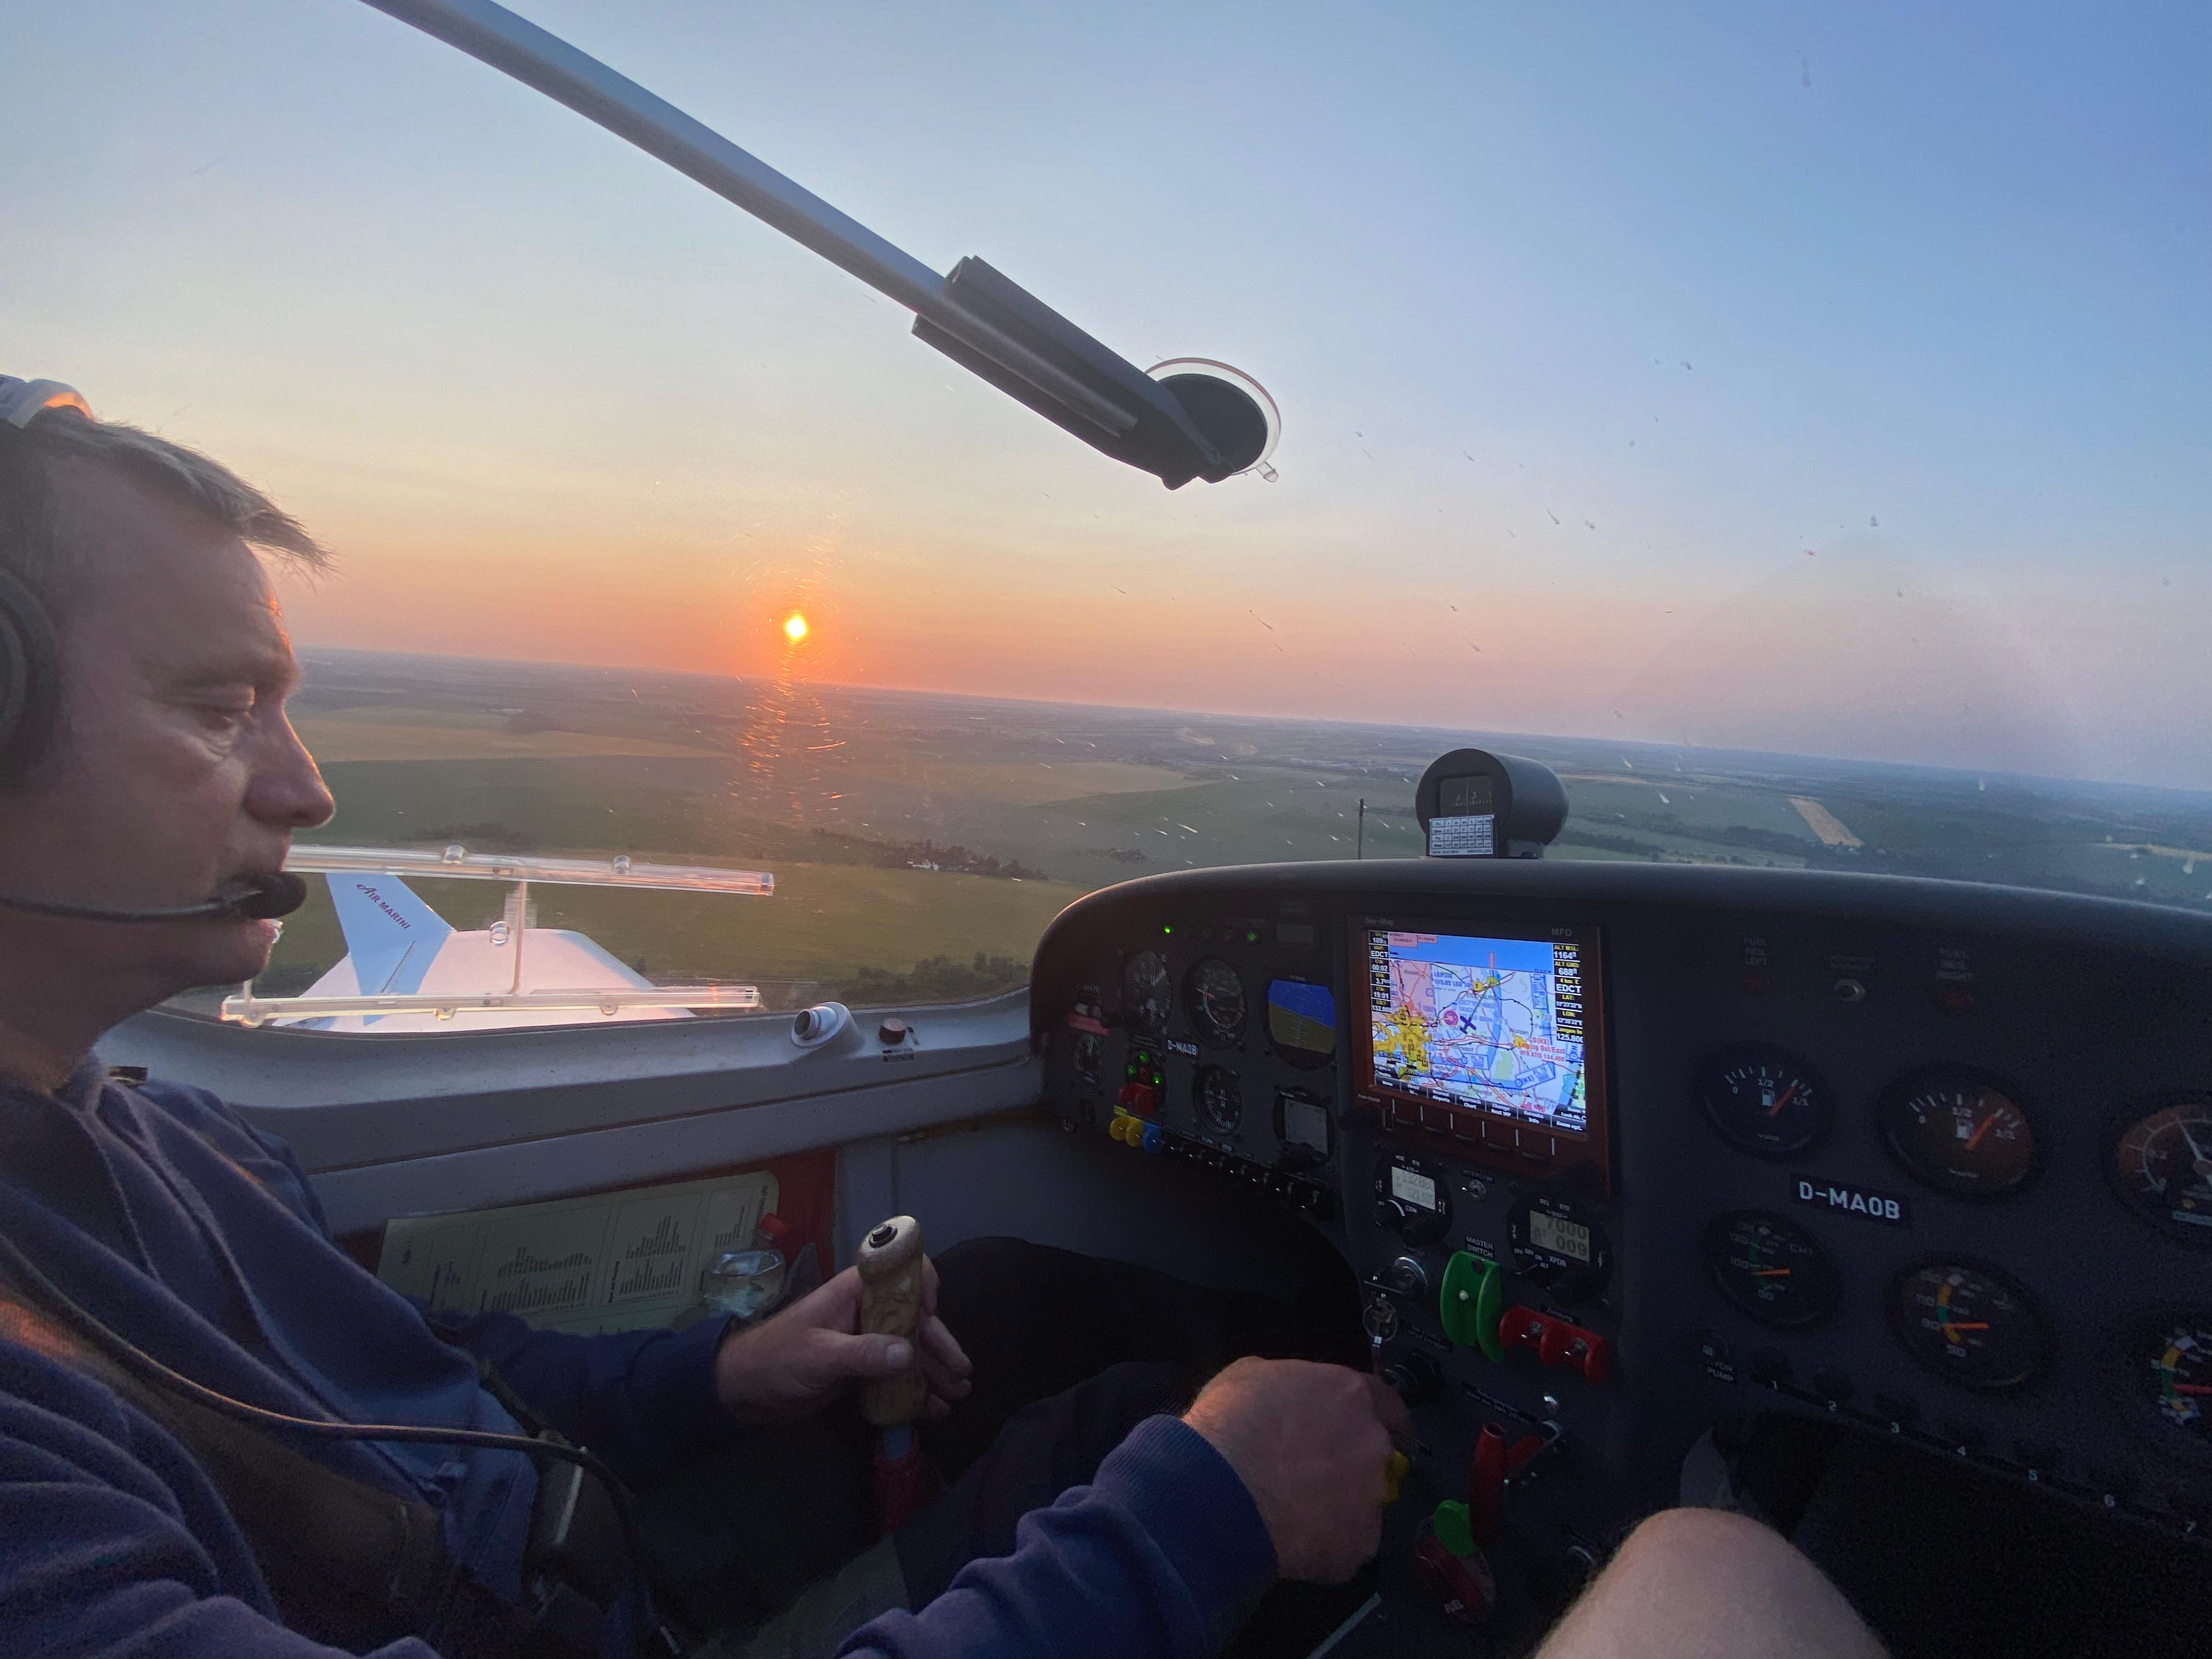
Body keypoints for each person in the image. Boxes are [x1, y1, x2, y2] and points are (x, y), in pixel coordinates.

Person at [0, 376, 1887, 1659]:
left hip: (575, 1565)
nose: (307, 789)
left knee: (1049, 1327)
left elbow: (422, 1382)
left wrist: (720, 1371)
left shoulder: (140, 1120)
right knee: (1716, 1570)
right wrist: (1194, 1526)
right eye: (217, 704)